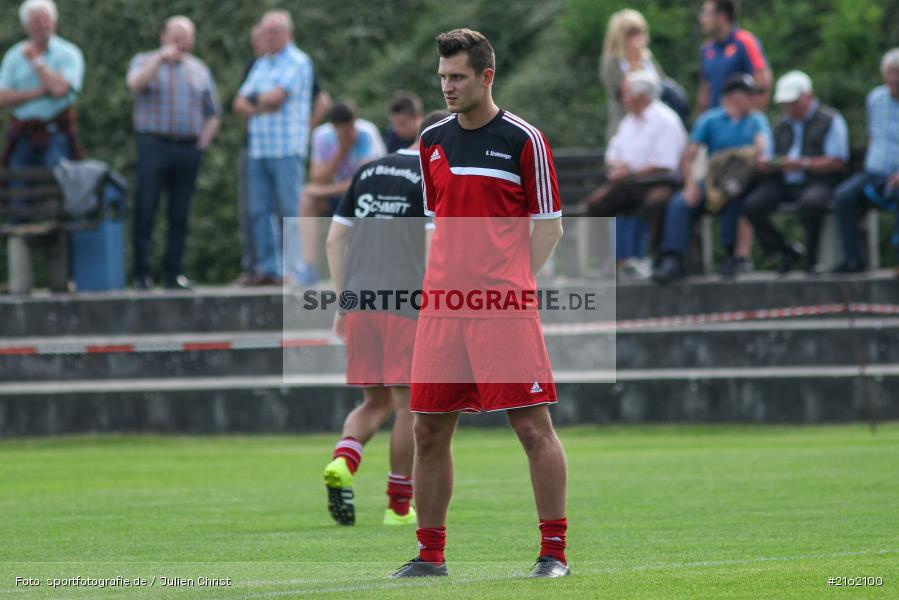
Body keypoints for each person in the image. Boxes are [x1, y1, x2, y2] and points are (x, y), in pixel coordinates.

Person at [391, 29, 569, 580]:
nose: (447, 87)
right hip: (442, 310)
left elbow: (549, 227)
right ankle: (430, 556)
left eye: (458, 77)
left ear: (486, 77)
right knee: (427, 430)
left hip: (503, 309)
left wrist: (511, 283)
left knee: (532, 426)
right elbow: (435, 225)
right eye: (442, 77)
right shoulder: (431, 140)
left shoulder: (524, 140)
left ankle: (554, 553)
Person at [322, 110, 447, 528]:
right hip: (405, 303)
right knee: (409, 405)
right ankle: (398, 505)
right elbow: (433, 243)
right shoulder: (430, 177)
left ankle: (343, 460)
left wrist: (343, 302)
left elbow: (334, 240)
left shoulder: (368, 170)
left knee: (373, 401)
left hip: (360, 299)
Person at [127, 16, 221, 290]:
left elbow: (213, 112)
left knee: (180, 214)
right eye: (176, 36)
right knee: (146, 208)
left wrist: (201, 144)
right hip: (153, 145)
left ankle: (174, 274)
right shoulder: (144, 60)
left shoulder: (199, 69)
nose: (181, 42)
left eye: (186, 37)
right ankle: (142, 275)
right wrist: (159, 59)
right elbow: (135, 85)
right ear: (163, 36)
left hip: (187, 149)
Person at [235, 23, 332, 286]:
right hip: (259, 148)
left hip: (286, 148)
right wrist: (261, 104)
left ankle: (294, 270)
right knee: (258, 210)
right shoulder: (261, 63)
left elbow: (276, 98)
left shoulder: (298, 61)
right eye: (265, 32)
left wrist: (256, 102)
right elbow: (239, 103)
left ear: (287, 34)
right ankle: (269, 269)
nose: (268, 37)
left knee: (291, 210)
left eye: (274, 32)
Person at [653, 74, 771, 283]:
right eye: (749, 95)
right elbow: (689, 155)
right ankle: (673, 258)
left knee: (734, 197)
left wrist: (757, 150)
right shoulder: (710, 120)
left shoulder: (756, 120)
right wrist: (690, 185)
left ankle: (731, 256)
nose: (754, 99)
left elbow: (762, 146)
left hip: (739, 184)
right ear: (734, 97)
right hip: (712, 180)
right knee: (680, 204)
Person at [743, 71, 849, 274]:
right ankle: (785, 250)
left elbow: (837, 160)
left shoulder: (831, 119)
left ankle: (812, 260)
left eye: (792, 102)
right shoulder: (779, 125)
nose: (789, 108)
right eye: (785, 104)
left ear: (808, 96)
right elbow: (768, 155)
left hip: (819, 180)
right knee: (752, 205)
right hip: (784, 180)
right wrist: (766, 163)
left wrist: (803, 164)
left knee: (811, 203)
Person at [586, 71, 687, 273]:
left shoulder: (666, 120)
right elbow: (613, 152)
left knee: (656, 204)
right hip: (630, 182)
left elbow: (665, 163)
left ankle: (658, 259)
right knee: (596, 204)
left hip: (660, 182)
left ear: (642, 95)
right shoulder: (628, 122)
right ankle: (607, 261)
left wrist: (629, 171)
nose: (623, 98)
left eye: (627, 93)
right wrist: (617, 167)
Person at [299, 101, 385, 285]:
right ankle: (309, 266)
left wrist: (323, 191)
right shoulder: (321, 136)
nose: (349, 133)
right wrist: (341, 152)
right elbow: (317, 177)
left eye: (351, 127)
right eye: (343, 130)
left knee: (359, 196)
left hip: (365, 197)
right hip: (339, 195)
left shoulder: (366, 134)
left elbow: (363, 182)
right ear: (334, 127)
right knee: (307, 200)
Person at [832, 48, 899, 275]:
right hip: (874, 171)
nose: (893, 79)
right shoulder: (875, 99)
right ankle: (853, 260)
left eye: (897, 73)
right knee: (844, 196)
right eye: (890, 73)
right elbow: (873, 135)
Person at [0, 0, 84, 169]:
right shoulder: (13, 56)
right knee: (18, 183)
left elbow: (59, 89)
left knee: (57, 182)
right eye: (36, 20)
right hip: (22, 136)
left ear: (54, 22)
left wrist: (36, 61)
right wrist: (40, 91)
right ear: (26, 26)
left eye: (46, 19)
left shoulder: (69, 53)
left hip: (57, 135)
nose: (43, 25)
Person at [697, 0, 772, 113]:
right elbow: (705, 89)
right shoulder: (707, 48)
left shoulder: (745, 42)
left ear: (722, 16)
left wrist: (752, 117)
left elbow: (763, 82)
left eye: (707, 14)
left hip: (740, 119)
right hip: (716, 119)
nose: (702, 18)